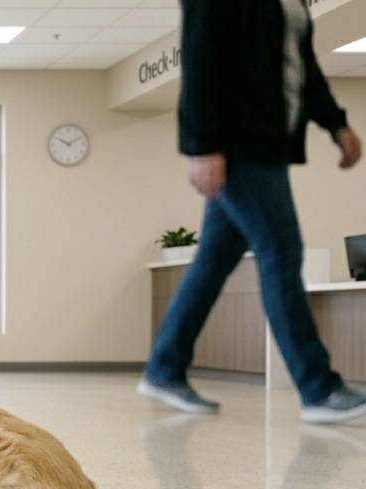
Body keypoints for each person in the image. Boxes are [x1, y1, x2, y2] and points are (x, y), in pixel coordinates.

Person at [139, 0, 366, 424]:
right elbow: (201, 57)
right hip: (240, 147)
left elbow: (301, 65)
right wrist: (202, 145)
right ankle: (318, 387)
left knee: (213, 261)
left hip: (269, 147)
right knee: (282, 253)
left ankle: (164, 368)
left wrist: (336, 123)